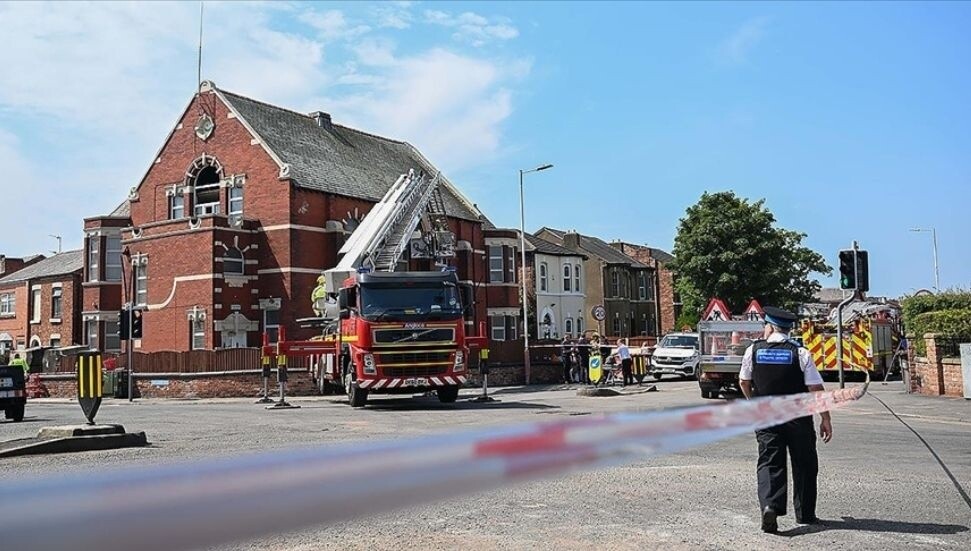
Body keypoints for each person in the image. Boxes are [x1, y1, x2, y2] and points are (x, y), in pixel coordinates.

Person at [739, 306, 833, 534]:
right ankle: (805, 514)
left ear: (770, 327)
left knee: (770, 462)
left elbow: (744, 382)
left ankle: (771, 505)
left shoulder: (753, 351)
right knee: (805, 465)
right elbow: (815, 388)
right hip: (798, 418)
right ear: (788, 329)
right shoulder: (800, 353)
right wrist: (825, 418)